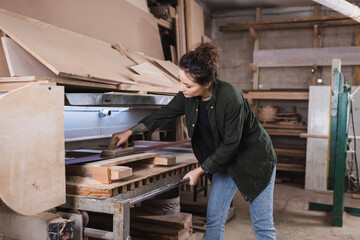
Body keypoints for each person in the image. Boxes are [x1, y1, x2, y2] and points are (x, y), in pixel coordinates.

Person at [112, 42, 277, 240]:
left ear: (207, 83)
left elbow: (231, 144)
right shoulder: (188, 95)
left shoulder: (231, 98)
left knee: (262, 225)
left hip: (254, 161)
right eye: (180, 81)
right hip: (224, 162)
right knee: (214, 219)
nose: (182, 89)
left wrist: (200, 170)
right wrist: (130, 132)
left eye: (188, 85)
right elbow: (165, 113)